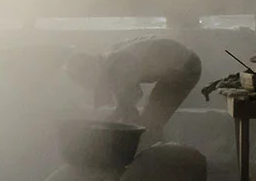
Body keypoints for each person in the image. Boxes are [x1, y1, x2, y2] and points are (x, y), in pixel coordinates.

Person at [64, 37, 202, 146]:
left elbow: (132, 99)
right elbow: (124, 101)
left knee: (150, 124)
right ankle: (155, 154)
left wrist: (106, 124)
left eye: (83, 81)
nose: (86, 86)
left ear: (89, 69)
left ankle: (160, 162)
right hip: (179, 63)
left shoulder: (117, 65)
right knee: (144, 121)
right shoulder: (107, 60)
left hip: (185, 68)